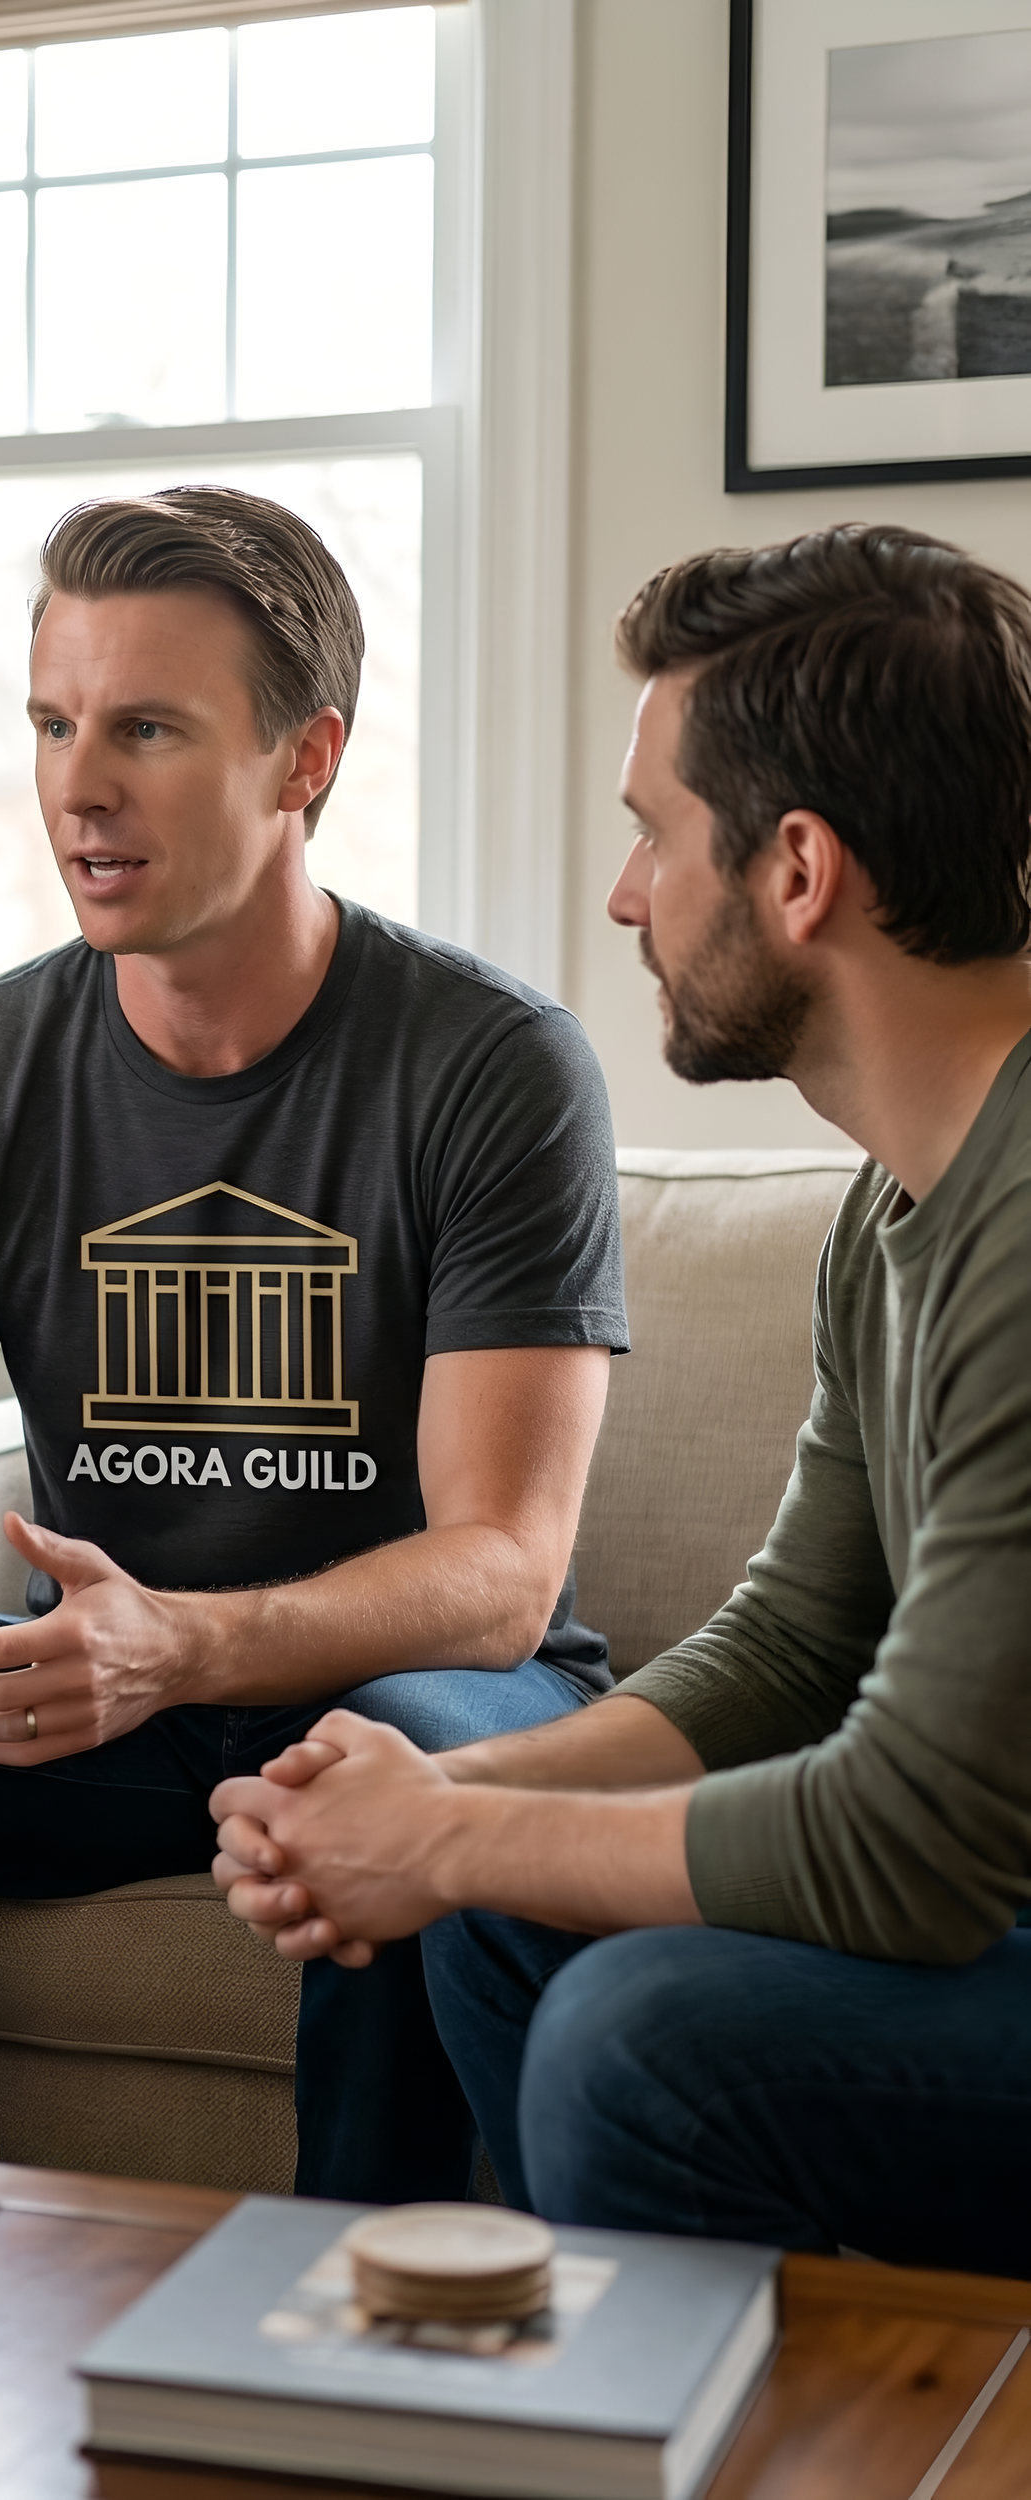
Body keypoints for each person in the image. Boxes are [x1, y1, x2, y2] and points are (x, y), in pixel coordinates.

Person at [0, 485, 627, 2216]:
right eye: (52, 723)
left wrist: (184, 1644)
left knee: (400, 1741)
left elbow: (501, 1574)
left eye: (148, 731)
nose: (76, 787)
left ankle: (348, 2329)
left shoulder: (491, 1065)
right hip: (118, 1697)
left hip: (421, 1691)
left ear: (304, 758)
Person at [211, 522, 1031, 2276]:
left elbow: (914, 1843)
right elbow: (793, 1652)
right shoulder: (897, 1204)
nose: (626, 894)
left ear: (799, 868)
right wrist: (464, 1802)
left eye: (656, 830)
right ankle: (661, 2409)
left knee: (633, 2033)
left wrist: (447, 1824)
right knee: (503, 1922)